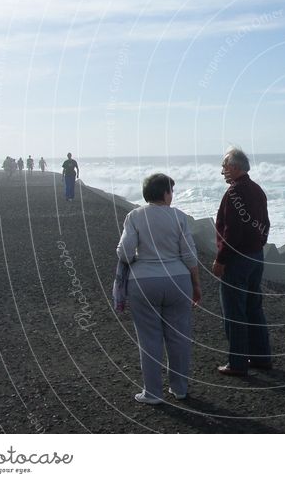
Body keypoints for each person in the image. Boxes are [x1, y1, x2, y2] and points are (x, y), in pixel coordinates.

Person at [116, 173, 202, 404]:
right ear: (165, 193)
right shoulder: (179, 217)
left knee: (149, 339)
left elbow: (124, 252)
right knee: (178, 337)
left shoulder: (134, 216)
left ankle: (153, 393)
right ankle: (180, 388)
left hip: (144, 283)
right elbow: (189, 255)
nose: (172, 195)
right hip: (178, 280)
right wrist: (196, 284)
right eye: (171, 191)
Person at [213, 147, 272, 375]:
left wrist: (221, 259)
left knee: (235, 311)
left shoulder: (235, 193)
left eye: (224, 166)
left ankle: (237, 363)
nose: (222, 172)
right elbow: (266, 223)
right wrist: (259, 244)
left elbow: (232, 232)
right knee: (254, 308)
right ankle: (261, 357)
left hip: (239, 259)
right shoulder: (257, 190)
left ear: (235, 167)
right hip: (256, 256)